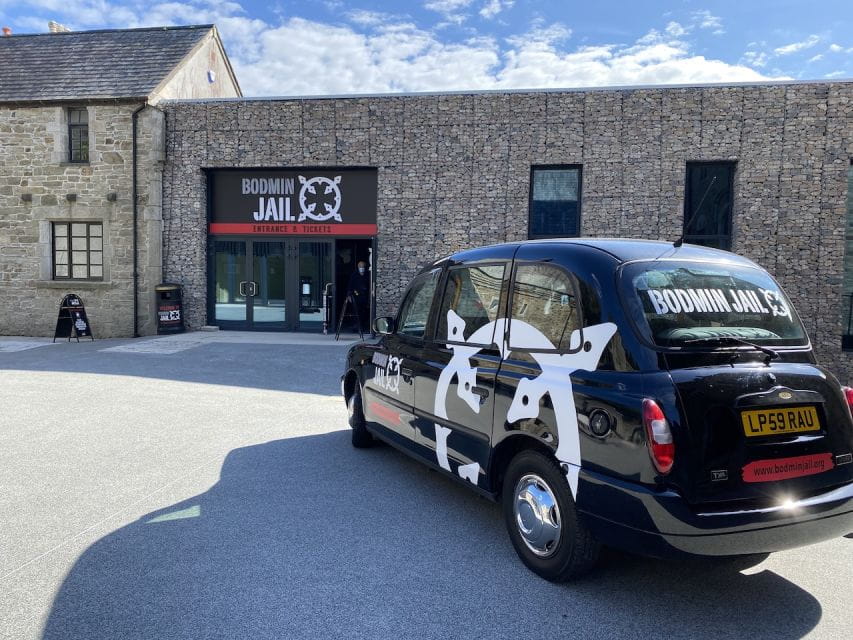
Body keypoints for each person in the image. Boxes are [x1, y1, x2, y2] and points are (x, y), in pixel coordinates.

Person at [346, 260, 370, 333]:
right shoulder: (354, 275)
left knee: (364, 312)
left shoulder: (367, 275)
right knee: (356, 311)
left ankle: (363, 326)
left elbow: (369, 285)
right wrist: (349, 295)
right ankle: (356, 326)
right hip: (356, 296)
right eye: (360, 267)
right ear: (358, 267)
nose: (361, 268)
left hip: (365, 296)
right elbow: (350, 286)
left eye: (363, 267)